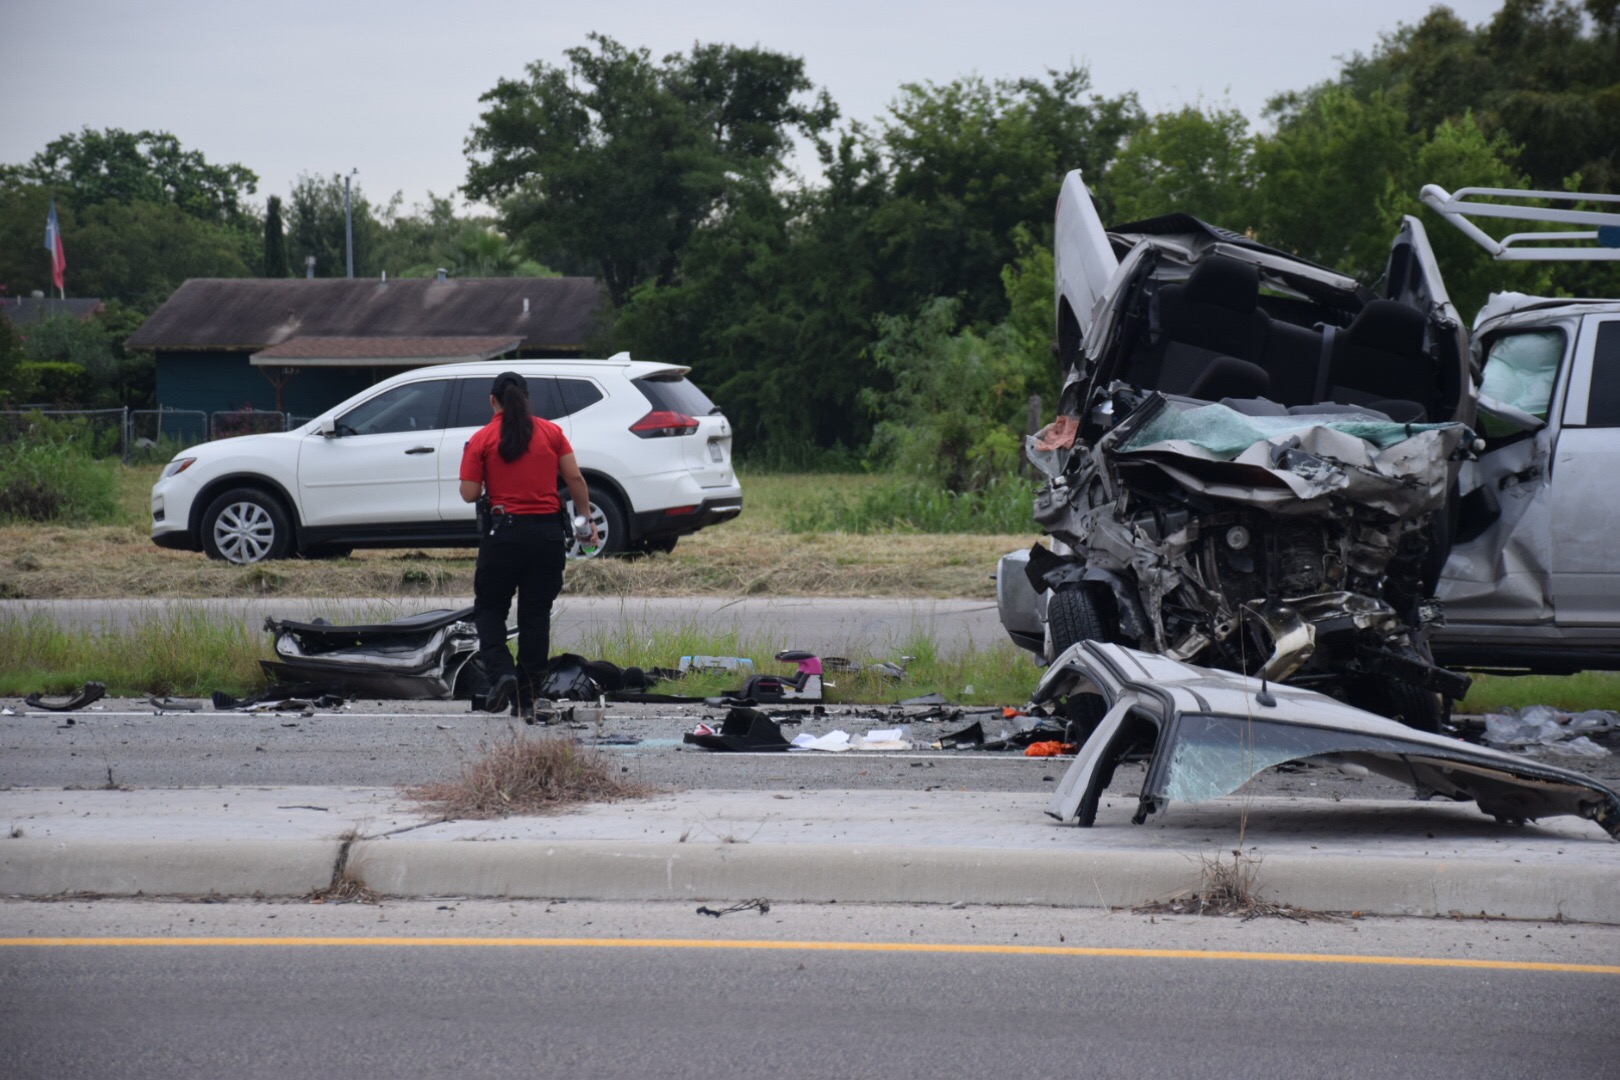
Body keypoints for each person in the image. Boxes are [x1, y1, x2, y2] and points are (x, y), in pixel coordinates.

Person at [459, 371, 599, 714]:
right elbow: (575, 478)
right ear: (526, 399)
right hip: (548, 536)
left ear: (493, 401)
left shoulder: (482, 438)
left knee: (489, 609)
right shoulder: (552, 433)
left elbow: (469, 493)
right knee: (535, 616)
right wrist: (586, 518)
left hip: (503, 535)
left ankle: (502, 672)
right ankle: (527, 698)